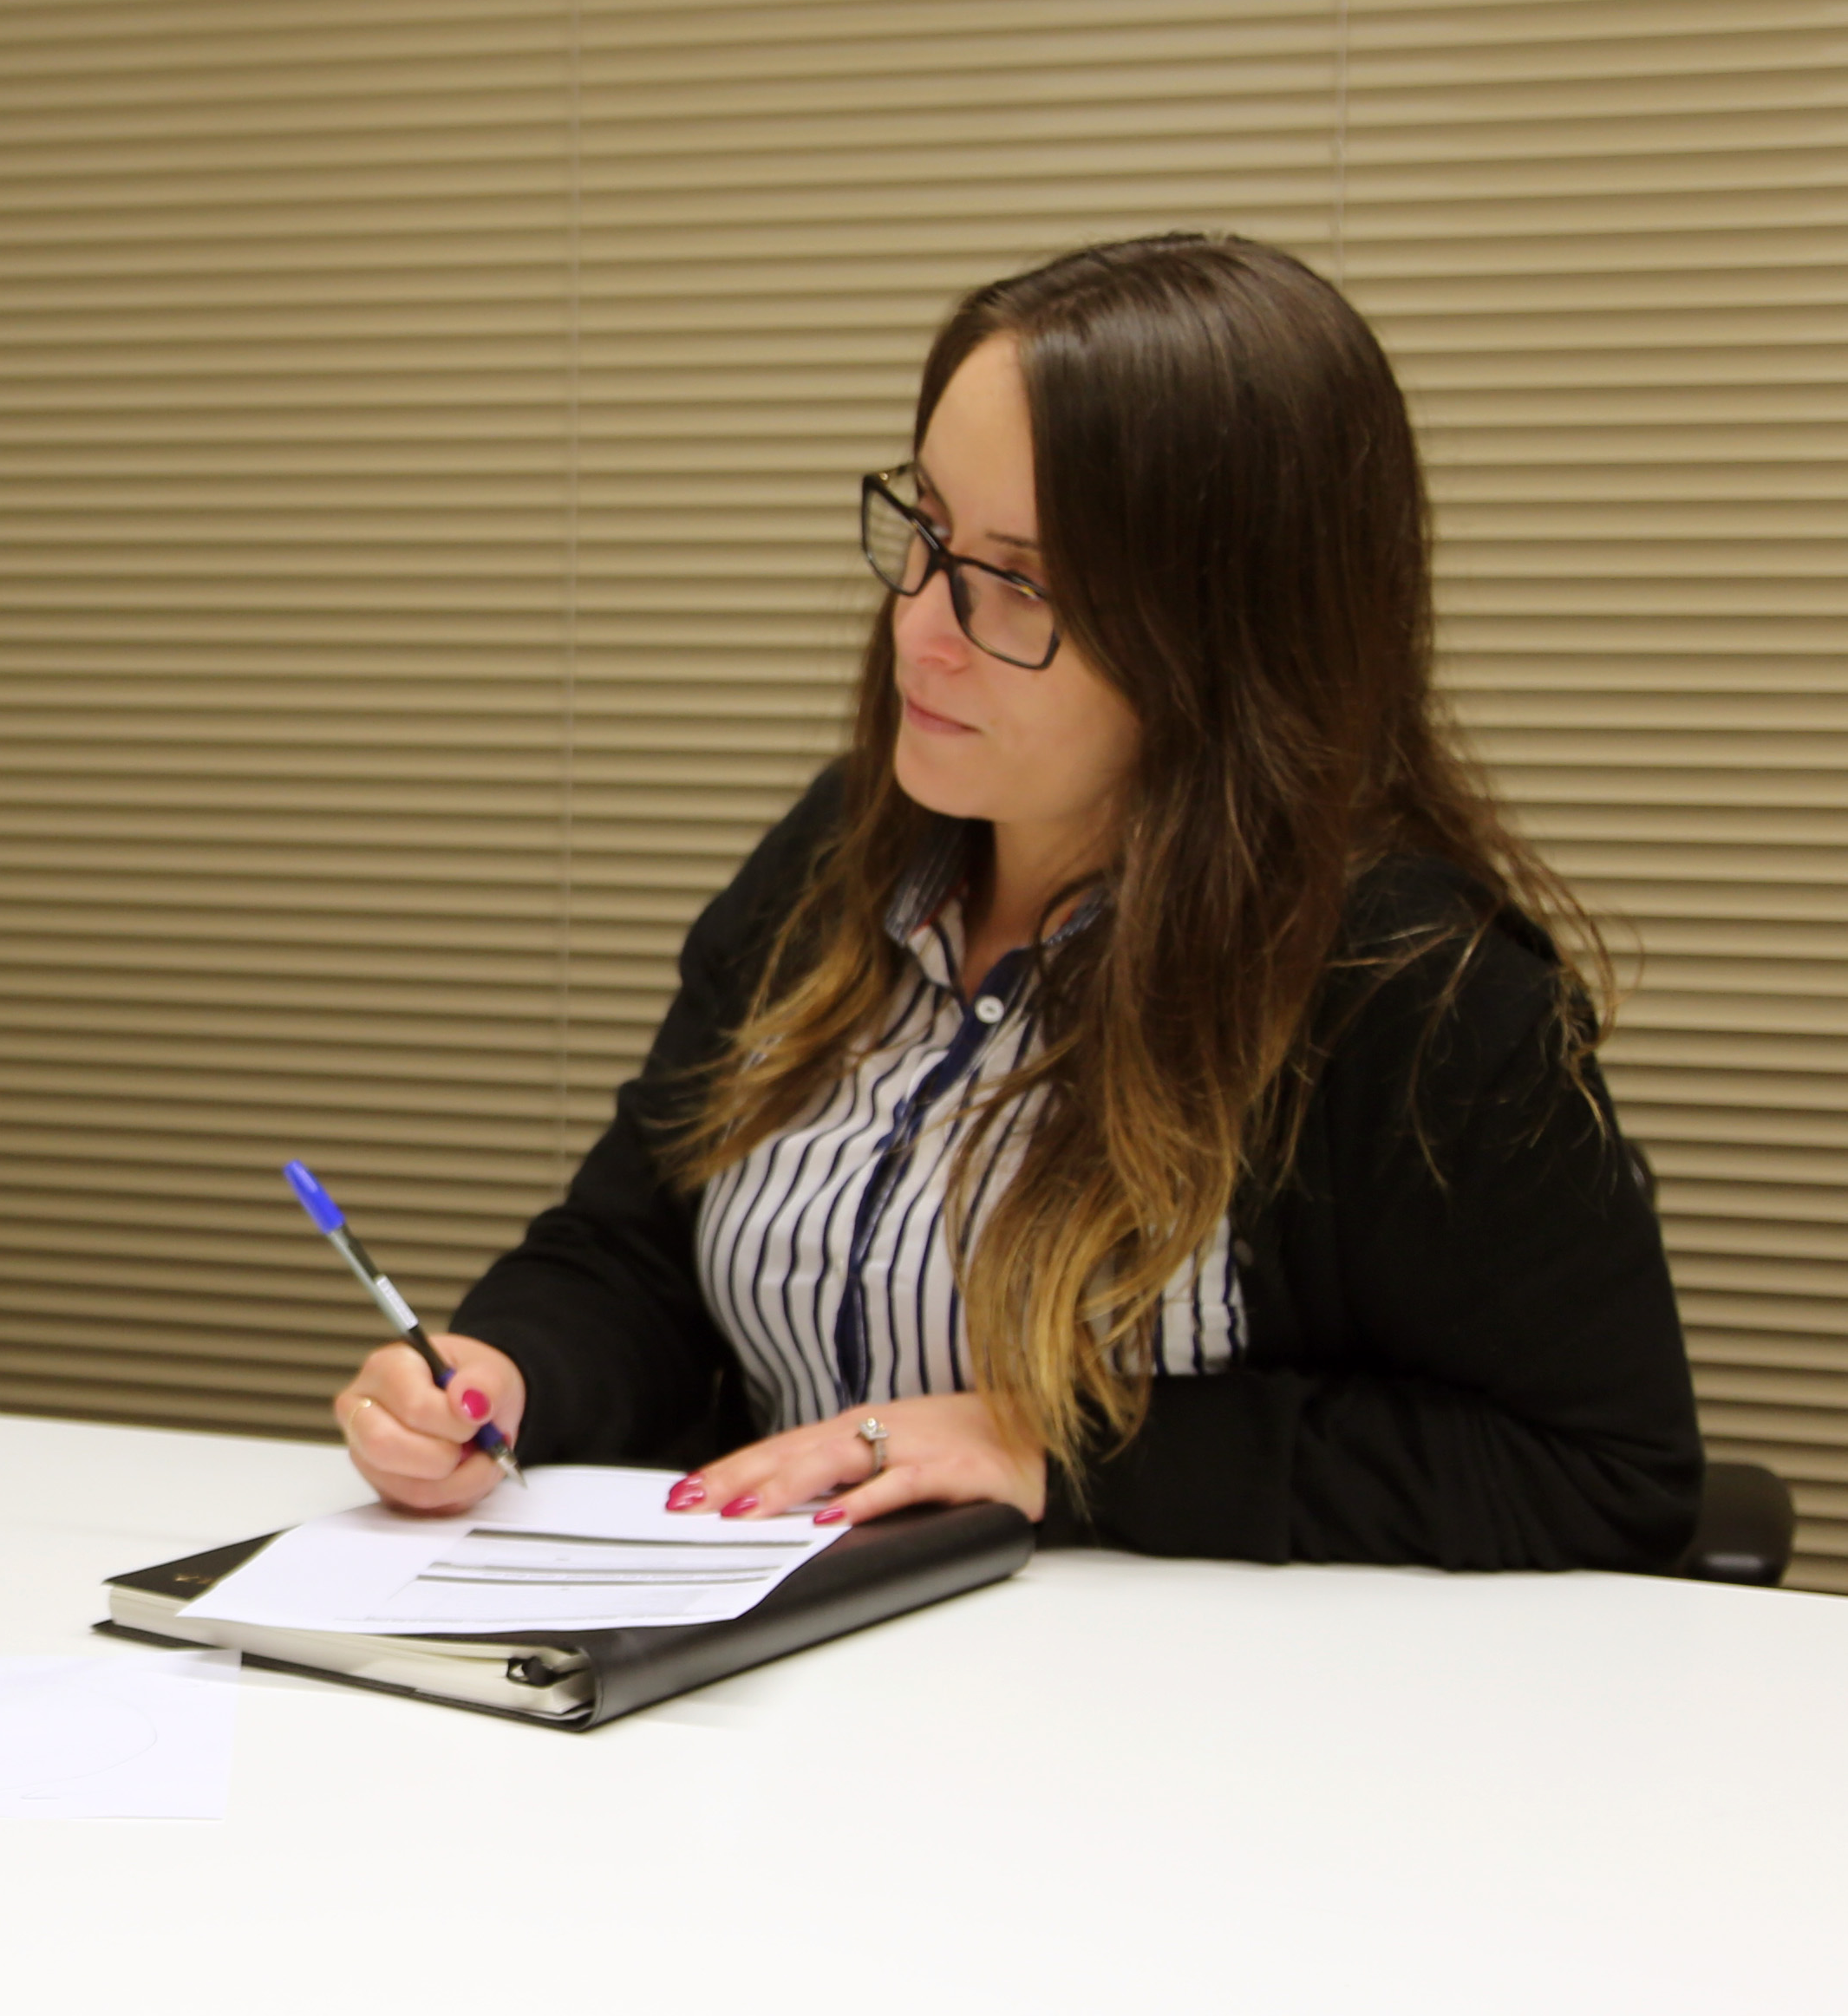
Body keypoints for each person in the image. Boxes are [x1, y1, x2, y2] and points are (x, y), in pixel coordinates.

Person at [334, 233, 1701, 1569]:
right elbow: (635, 1254)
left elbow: (1598, 1470)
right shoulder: (840, 853)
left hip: (1190, 1743)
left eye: (1019, 582)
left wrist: (1056, 1451)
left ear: (1223, 639)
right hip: (782, 1693)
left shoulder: (1406, 986)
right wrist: (502, 1372)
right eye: (924, 534)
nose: (921, 624)